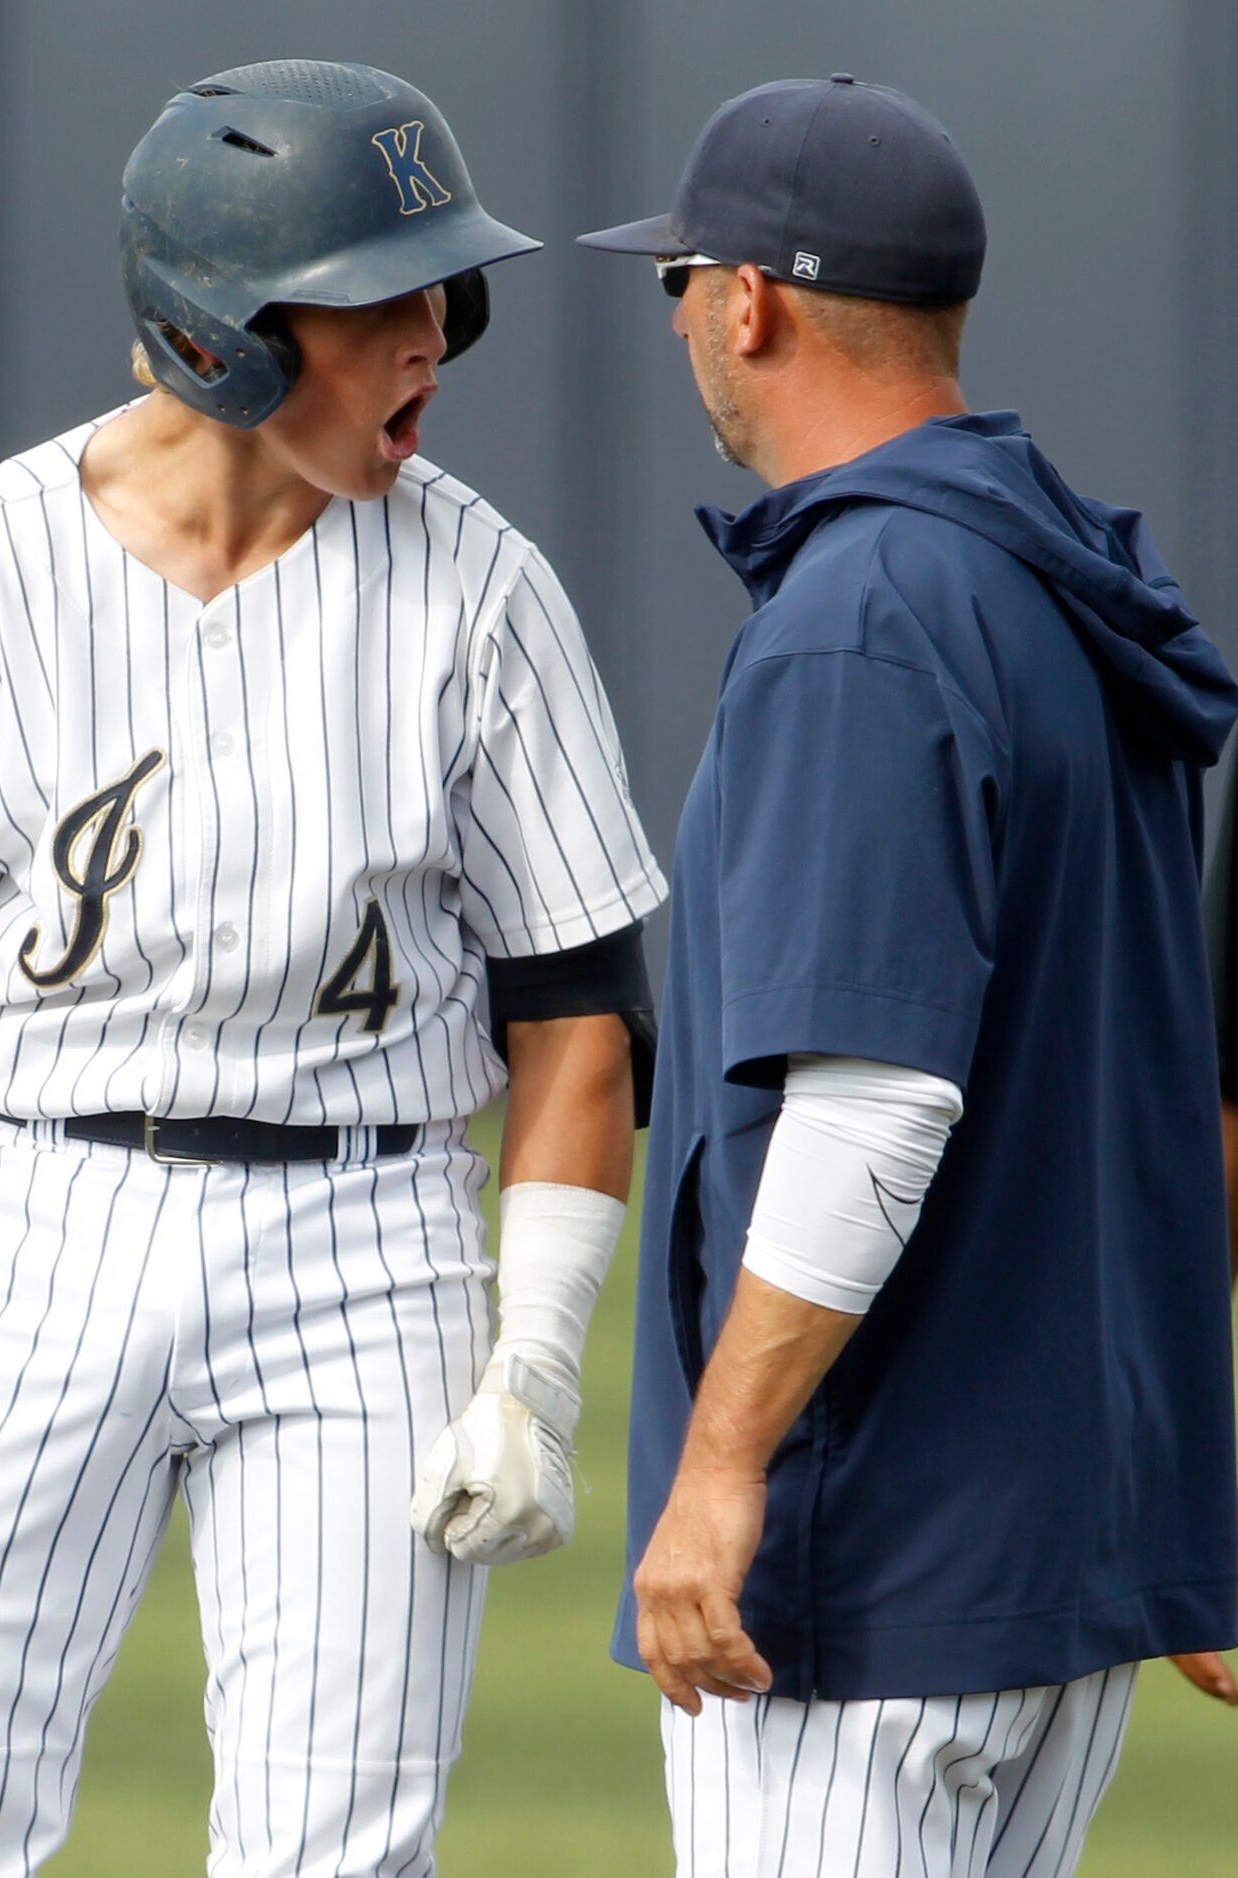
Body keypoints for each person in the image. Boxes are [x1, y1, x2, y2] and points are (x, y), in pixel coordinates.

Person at [0, 60, 666, 1875]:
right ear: (222, 339)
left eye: (446, 290)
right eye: (382, 299)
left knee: (336, 1852)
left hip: (368, 1248)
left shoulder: (485, 594)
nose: (437, 334)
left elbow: (579, 1012)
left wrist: (537, 1365)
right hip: (37, 1228)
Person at [579, 73, 1238, 1876]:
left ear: (752, 300)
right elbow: (1150, 1092)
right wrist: (1156, 1477)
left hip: (869, 1565)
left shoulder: (863, 617)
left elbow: (873, 1100)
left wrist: (723, 1478)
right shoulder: (1060, 586)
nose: (683, 323)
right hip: (1053, 1556)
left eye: (679, 283)